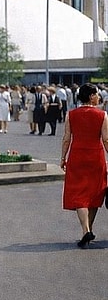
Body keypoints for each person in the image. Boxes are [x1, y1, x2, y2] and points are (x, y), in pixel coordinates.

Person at [59, 83, 108, 248]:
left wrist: (62, 157)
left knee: (80, 193)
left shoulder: (71, 114)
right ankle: (88, 230)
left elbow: (67, 138)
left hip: (77, 156)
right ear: (90, 96)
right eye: (96, 94)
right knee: (94, 192)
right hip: (96, 156)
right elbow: (106, 139)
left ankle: (86, 230)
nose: (99, 97)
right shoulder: (102, 115)